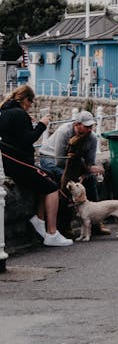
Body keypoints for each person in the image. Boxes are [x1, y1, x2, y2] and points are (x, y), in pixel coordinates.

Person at [0, 85, 73, 247]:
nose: (30, 106)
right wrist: (42, 124)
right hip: (19, 164)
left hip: (10, 162)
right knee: (53, 188)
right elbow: (28, 139)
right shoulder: (18, 114)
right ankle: (52, 233)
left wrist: (27, 121)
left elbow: (16, 135)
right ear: (26, 100)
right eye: (31, 103)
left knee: (48, 177)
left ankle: (39, 220)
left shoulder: (5, 111)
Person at [39, 110, 109, 237]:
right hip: (49, 158)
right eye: (86, 126)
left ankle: (96, 223)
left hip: (74, 162)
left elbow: (90, 162)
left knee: (91, 180)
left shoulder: (92, 138)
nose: (89, 129)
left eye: (91, 126)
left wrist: (86, 173)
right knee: (66, 182)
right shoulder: (64, 132)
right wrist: (82, 171)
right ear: (77, 124)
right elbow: (60, 161)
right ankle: (64, 225)